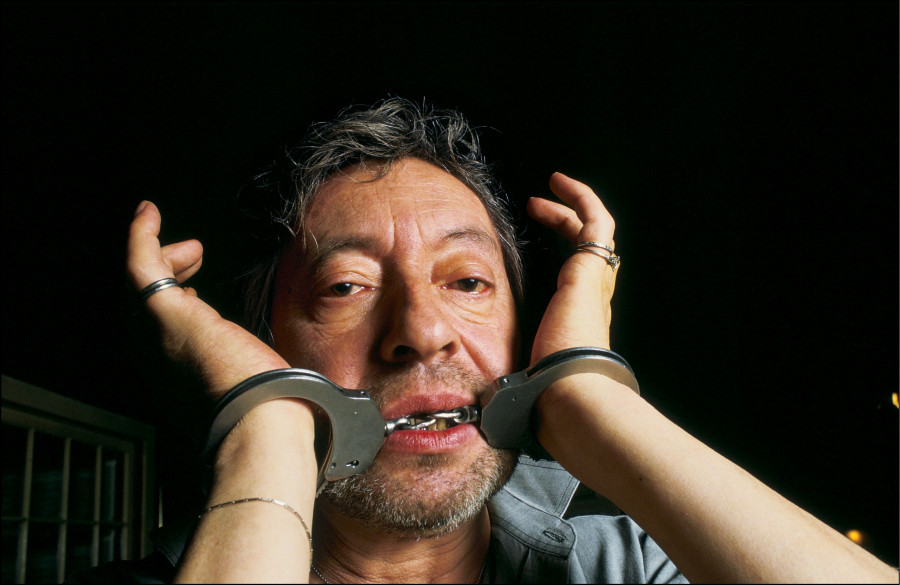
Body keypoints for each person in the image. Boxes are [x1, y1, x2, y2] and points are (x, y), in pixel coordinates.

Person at [69, 98, 896, 583]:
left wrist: (585, 392)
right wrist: (269, 426)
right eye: (347, 287)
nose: (423, 333)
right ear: (267, 341)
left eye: (467, 281)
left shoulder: (634, 567)